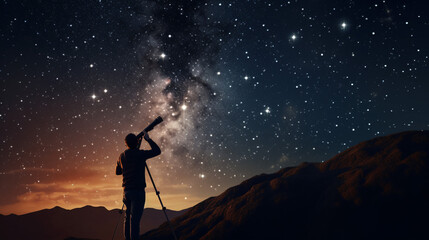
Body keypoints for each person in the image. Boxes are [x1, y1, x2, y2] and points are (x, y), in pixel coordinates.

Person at [116, 131, 161, 240]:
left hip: (126, 191)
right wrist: (148, 139)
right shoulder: (140, 154)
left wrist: (128, 165)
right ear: (136, 142)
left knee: (127, 219)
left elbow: (118, 172)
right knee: (135, 221)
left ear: (126, 143)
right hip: (138, 191)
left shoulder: (121, 156)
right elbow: (157, 151)